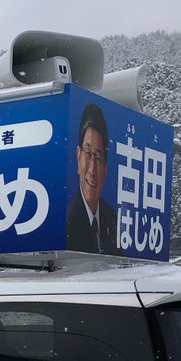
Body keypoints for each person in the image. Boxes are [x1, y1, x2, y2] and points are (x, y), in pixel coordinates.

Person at [66, 102, 117, 254]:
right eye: (88, 154)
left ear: (105, 169)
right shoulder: (66, 223)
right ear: (78, 156)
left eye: (98, 158)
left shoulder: (115, 221)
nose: (92, 170)